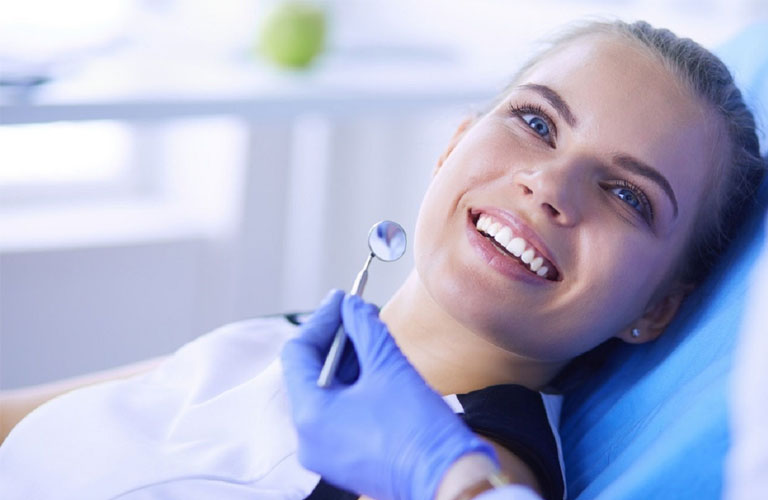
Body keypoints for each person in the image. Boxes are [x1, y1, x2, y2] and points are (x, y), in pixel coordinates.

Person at [0, 19, 764, 500]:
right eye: (536, 120)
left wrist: (437, 474)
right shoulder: (299, 335)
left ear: (657, 307)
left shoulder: (478, 461)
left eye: (628, 195)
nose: (550, 185)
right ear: (452, 146)